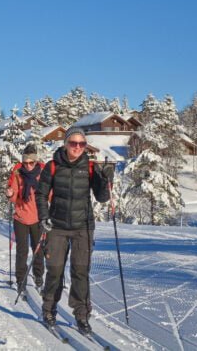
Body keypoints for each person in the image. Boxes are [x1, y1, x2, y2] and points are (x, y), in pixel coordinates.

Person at [35, 126, 114, 334]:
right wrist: (44, 217)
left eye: (81, 144)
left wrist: (106, 180)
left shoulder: (89, 167)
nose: (77, 147)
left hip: (83, 228)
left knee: (81, 272)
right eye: (73, 143)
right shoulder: (52, 166)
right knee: (55, 270)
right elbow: (41, 195)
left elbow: (102, 198)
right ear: (66, 144)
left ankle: (81, 315)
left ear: (85, 146)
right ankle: (49, 309)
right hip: (57, 227)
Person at [6, 144, 45, 292]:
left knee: (38, 249)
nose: (28, 166)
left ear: (36, 161)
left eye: (31, 162)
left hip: (38, 218)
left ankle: (38, 275)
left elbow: (49, 193)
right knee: (22, 251)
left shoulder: (42, 173)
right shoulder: (17, 173)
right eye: (26, 162)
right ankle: (20, 279)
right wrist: (10, 194)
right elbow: (14, 195)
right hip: (21, 218)